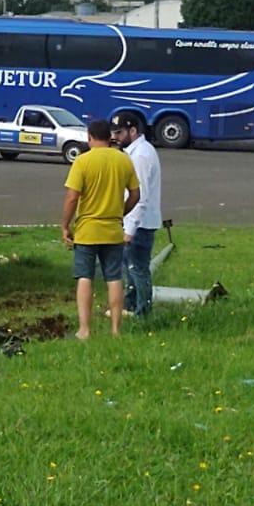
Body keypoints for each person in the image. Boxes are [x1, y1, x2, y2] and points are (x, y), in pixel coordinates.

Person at [60, 118, 139, 340]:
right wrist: (120, 212)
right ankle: (116, 330)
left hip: (87, 230)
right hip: (113, 229)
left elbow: (72, 198)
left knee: (84, 276)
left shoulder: (83, 161)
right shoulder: (124, 160)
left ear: (90, 137)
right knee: (114, 278)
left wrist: (65, 225)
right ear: (110, 136)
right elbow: (135, 195)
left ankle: (85, 330)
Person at [112, 112, 163, 319]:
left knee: (138, 269)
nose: (115, 136)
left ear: (133, 131)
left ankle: (144, 313)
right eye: (113, 132)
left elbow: (139, 196)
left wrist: (129, 229)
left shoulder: (140, 156)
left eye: (119, 132)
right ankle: (132, 306)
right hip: (136, 221)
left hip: (139, 224)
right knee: (130, 268)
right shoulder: (137, 152)